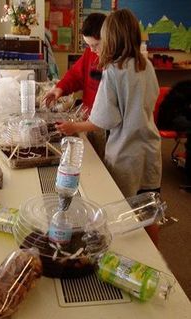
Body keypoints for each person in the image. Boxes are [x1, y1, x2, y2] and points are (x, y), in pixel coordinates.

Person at [55, 9, 162, 245]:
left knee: (122, 213)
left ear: (111, 39)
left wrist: (73, 127)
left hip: (125, 152)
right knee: (149, 210)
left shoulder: (113, 71)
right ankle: (156, 257)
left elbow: (102, 121)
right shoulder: (147, 66)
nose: (94, 49)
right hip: (150, 149)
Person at [44, 12, 107, 159]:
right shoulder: (91, 53)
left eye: (95, 45)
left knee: (101, 163)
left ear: (109, 37)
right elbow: (76, 75)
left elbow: (108, 115)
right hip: (89, 120)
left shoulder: (115, 65)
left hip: (103, 126)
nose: (92, 50)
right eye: (88, 45)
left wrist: (76, 127)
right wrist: (59, 89)